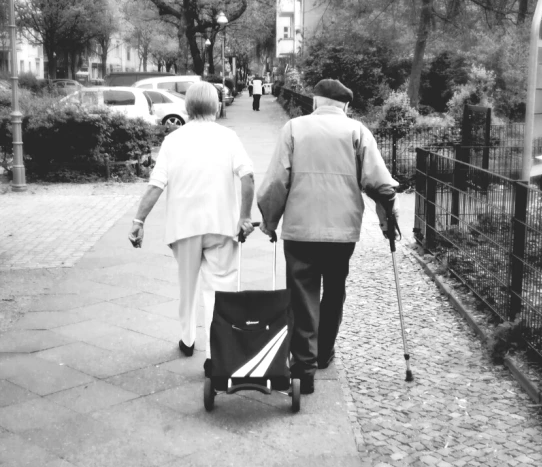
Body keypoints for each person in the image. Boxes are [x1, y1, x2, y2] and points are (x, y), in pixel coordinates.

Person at [256, 78, 399, 395]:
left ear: (315, 102)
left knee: (302, 296)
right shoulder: (357, 132)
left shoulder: (293, 129)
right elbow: (380, 184)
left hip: (300, 230)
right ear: (345, 106)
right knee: (334, 290)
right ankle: (324, 353)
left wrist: (269, 221)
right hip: (342, 231)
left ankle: (303, 368)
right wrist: (389, 219)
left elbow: (276, 182)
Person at [128, 81, 255, 375]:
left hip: (184, 227)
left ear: (188, 107)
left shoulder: (173, 140)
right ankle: (216, 355)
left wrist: (139, 220)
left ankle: (187, 338)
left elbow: (156, 185)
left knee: (187, 287)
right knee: (220, 291)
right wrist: (244, 217)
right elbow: (247, 176)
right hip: (222, 226)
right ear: (215, 105)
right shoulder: (228, 137)